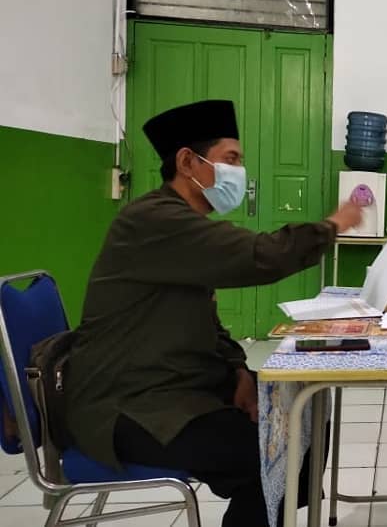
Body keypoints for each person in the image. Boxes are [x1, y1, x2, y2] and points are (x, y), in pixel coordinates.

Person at [62, 100, 364, 527]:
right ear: (188, 161)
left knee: (301, 411)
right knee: (271, 448)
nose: (239, 172)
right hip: (129, 405)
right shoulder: (154, 221)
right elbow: (261, 255)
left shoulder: (178, 225)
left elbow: (207, 323)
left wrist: (238, 372)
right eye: (231, 159)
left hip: (174, 386)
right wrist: (333, 225)